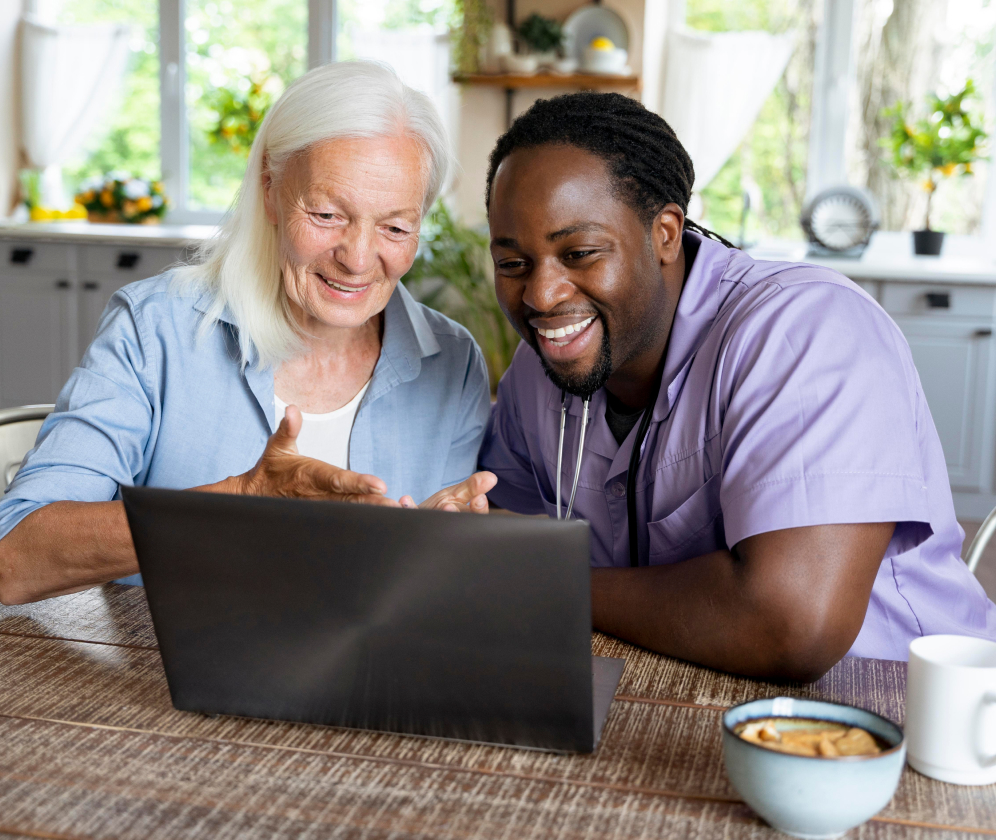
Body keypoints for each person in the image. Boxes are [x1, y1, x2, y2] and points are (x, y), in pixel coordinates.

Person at [479, 92, 996, 681]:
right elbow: (504, 538)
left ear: (665, 232)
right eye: (513, 264)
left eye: (580, 253)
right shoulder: (536, 370)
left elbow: (791, 624)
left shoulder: (805, 328)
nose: (541, 296)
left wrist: (552, 583)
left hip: (902, 707)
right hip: (670, 687)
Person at [0, 61, 496, 606]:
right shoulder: (155, 329)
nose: (357, 259)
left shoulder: (454, 361)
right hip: (155, 677)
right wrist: (241, 502)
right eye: (328, 214)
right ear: (270, 192)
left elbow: (429, 588)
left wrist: (433, 551)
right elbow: (14, 558)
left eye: (396, 228)